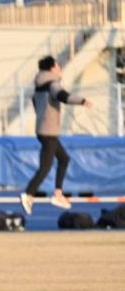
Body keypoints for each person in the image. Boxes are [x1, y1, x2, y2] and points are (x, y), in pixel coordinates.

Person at [21, 56, 92, 215]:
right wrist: (82, 101)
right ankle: (28, 194)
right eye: (58, 66)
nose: (60, 68)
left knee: (64, 159)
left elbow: (35, 103)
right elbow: (63, 96)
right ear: (52, 68)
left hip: (43, 129)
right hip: (49, 131)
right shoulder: (52, 83)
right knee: (45, 167)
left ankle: (58, 194)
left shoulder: (38, 85)